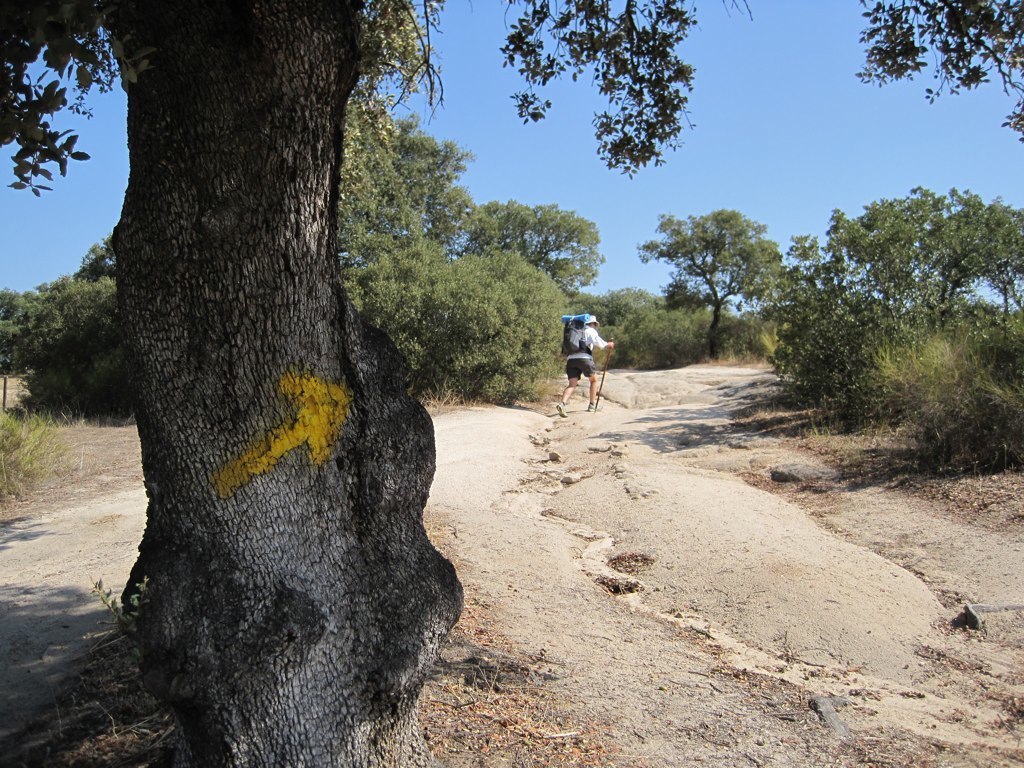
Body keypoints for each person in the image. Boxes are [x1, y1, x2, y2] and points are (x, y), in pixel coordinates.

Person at [556, 315, 614, 417]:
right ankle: (592, 405)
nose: (595, 326)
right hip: (585, 359)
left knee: (572, 384)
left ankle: (562, 404)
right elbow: (601, 344)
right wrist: (609, 344)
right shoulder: (590, 330)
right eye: (595, 324)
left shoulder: (575, 330)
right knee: (594, 380)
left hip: (571, 359)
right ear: (592, 324)